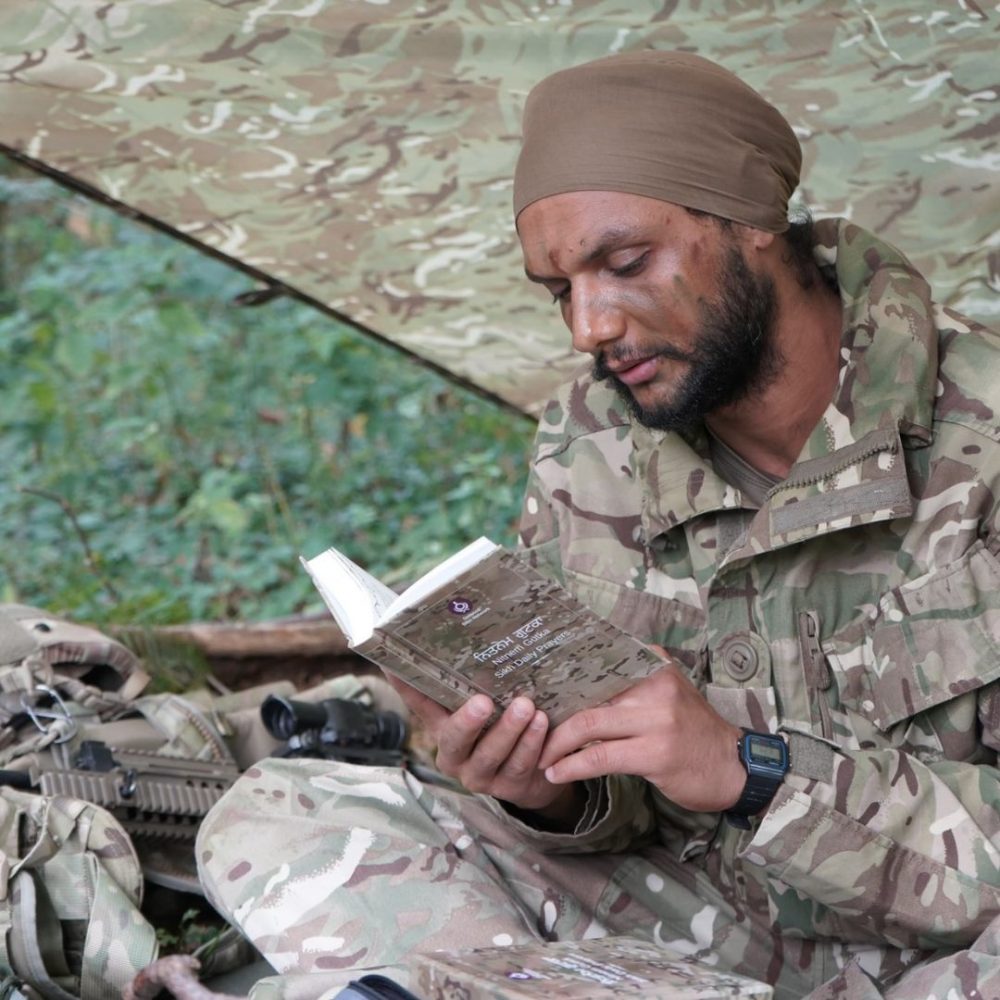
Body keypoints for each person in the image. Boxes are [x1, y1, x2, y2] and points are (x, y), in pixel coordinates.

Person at [196, 51, 1000, 999]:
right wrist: (553, 791)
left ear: (752, 224)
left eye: (624, 265)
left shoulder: (978, 438)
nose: (588, 328)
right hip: (692, 930)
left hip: (941, 958)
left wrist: (750, 770)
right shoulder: (590, 443)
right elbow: (621, 814)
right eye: (558, 291)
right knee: (292, 805)